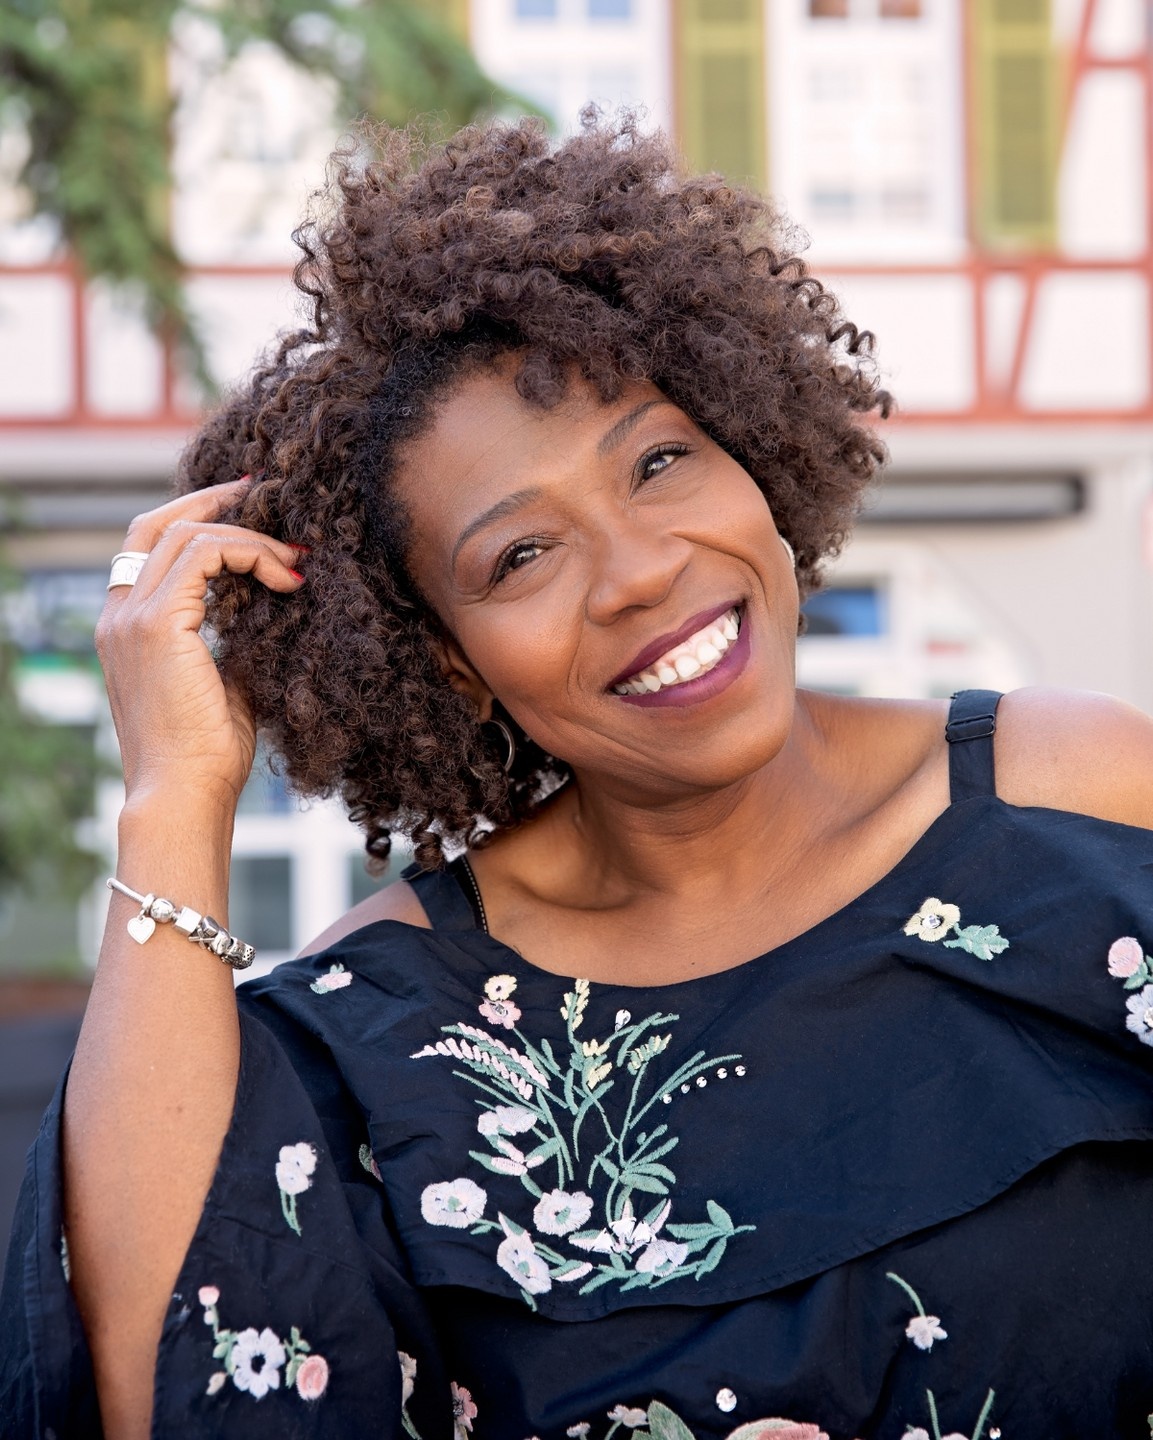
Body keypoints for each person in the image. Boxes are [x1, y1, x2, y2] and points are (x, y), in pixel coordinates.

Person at [3, 112, 1153, 1440]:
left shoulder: (1078, 793)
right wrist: (175, 796)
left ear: (751, 451)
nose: (640, 572)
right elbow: (177, 1389)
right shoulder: (379, 1034)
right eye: (520, 557)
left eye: (659, 461)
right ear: (449, 663)